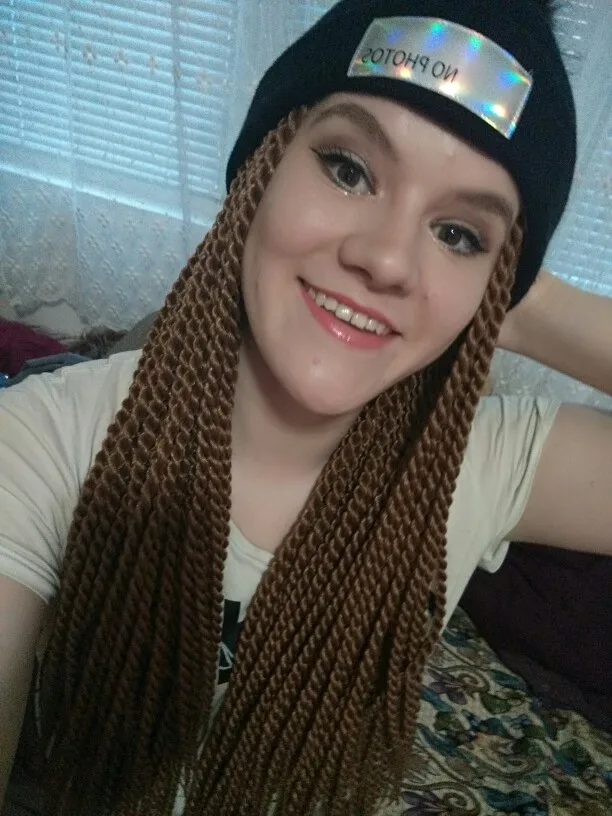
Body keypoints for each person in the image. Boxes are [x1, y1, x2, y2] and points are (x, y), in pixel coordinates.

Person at [0, 1, 610, 815]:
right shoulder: (40, 444)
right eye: (349, 170)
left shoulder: (483, 466)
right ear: (264, 166)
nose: (386, 259)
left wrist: (520, 299)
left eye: (459, 234)